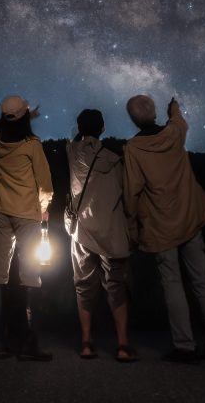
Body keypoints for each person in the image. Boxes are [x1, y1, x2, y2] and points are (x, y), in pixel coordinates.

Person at [123, 95, 205, 364]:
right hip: (191, 219)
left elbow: (132, 191)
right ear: (154, 112)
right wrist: (173, 107)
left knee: (172, 284)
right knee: (202, 282)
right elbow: (179, 120)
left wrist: (132, 225)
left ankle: (184, 347)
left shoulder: (133, 149)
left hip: (160, 225)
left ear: (132, 119)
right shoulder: (174, 133)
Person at [0, 94, 54, 361]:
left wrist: (23, 116)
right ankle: (29, 345)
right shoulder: (32, 145)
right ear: (24, 117)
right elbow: (45, 184)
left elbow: (4, 124)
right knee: (30, 275)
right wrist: (44, 207)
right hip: (26, 212)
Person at [66, 108, 136, 362]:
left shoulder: (72, 152)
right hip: (111, 232)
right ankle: (123, 345)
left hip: (81, 231)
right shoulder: (115, 160)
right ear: (103, 128)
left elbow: (74, 138)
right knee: (116, 286)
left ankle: (86, 343)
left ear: (79, 128)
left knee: (84, 286)